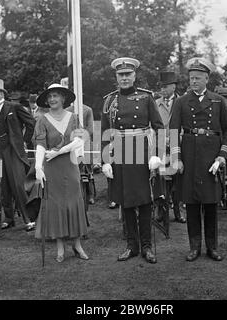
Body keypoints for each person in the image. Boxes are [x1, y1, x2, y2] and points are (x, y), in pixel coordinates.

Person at [101, 57, 164, 264]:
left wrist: (157, 155)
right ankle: (131, 245)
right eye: (121, 75)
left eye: (128, 74)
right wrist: (105, 161)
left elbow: (159, 127)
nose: (125, 78)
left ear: (135, 75)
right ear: (116, 77)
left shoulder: (146, 98)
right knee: (126, 201)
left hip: (142, 150)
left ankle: (146, 246)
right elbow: (104, 132)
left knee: (145, 200)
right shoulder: (110, 100)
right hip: (120, 151)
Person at [169, 57, 227, 262]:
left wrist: (221, 156)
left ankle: (212, 247)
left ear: (207, 78)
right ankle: (194, 246)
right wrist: (177, 158)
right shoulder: (181, 102)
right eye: (191, 78)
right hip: (189, 155)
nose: (193, 81)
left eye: (197, 78)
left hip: (211, 157)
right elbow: (172, 131)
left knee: (211, 204)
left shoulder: (218, 100)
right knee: (192, 203)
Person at [32, 83, 89, 262]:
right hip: (51, 167)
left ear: (63, 98)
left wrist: (59, 151)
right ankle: (60, 246)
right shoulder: (42, 119)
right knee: (55, 204)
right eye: (49, 97)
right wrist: (38, 167)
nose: (52, 99)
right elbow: (40, 144)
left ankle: (77, 244)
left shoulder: (74, 117)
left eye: (55, 96)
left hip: (69, 165)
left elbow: (79, 141)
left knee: (74, 200)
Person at [0, 78, 35, 231]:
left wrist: (24, 141)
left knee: (18, 185)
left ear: (1, 93)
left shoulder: (14, 107)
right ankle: (9, 218)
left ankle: (28, 218)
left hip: (13, 151)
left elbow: (30, 123)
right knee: (3, 186)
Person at [155, 71, 185, 223]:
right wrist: (162, 139)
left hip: (178, 146)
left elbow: (185, 126)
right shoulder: (155, 103)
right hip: (160, 146)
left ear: (173, 86)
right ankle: (162, 210)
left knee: (177, 180)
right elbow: (152, 125)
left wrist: (174, 139)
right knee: (161, 180)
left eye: (166, 86)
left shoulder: (183, 102)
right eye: (161, 87)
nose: (163, 90)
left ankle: (178, 211)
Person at [62, 77, 96, 205]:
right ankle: (75, 194)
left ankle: (90, 194)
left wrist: (81, 138)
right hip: (71, 145)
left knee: (88, 170)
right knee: (73, 170)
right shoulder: (66, 111)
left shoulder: (87, 110)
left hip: (85, 144)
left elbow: (90, 129)